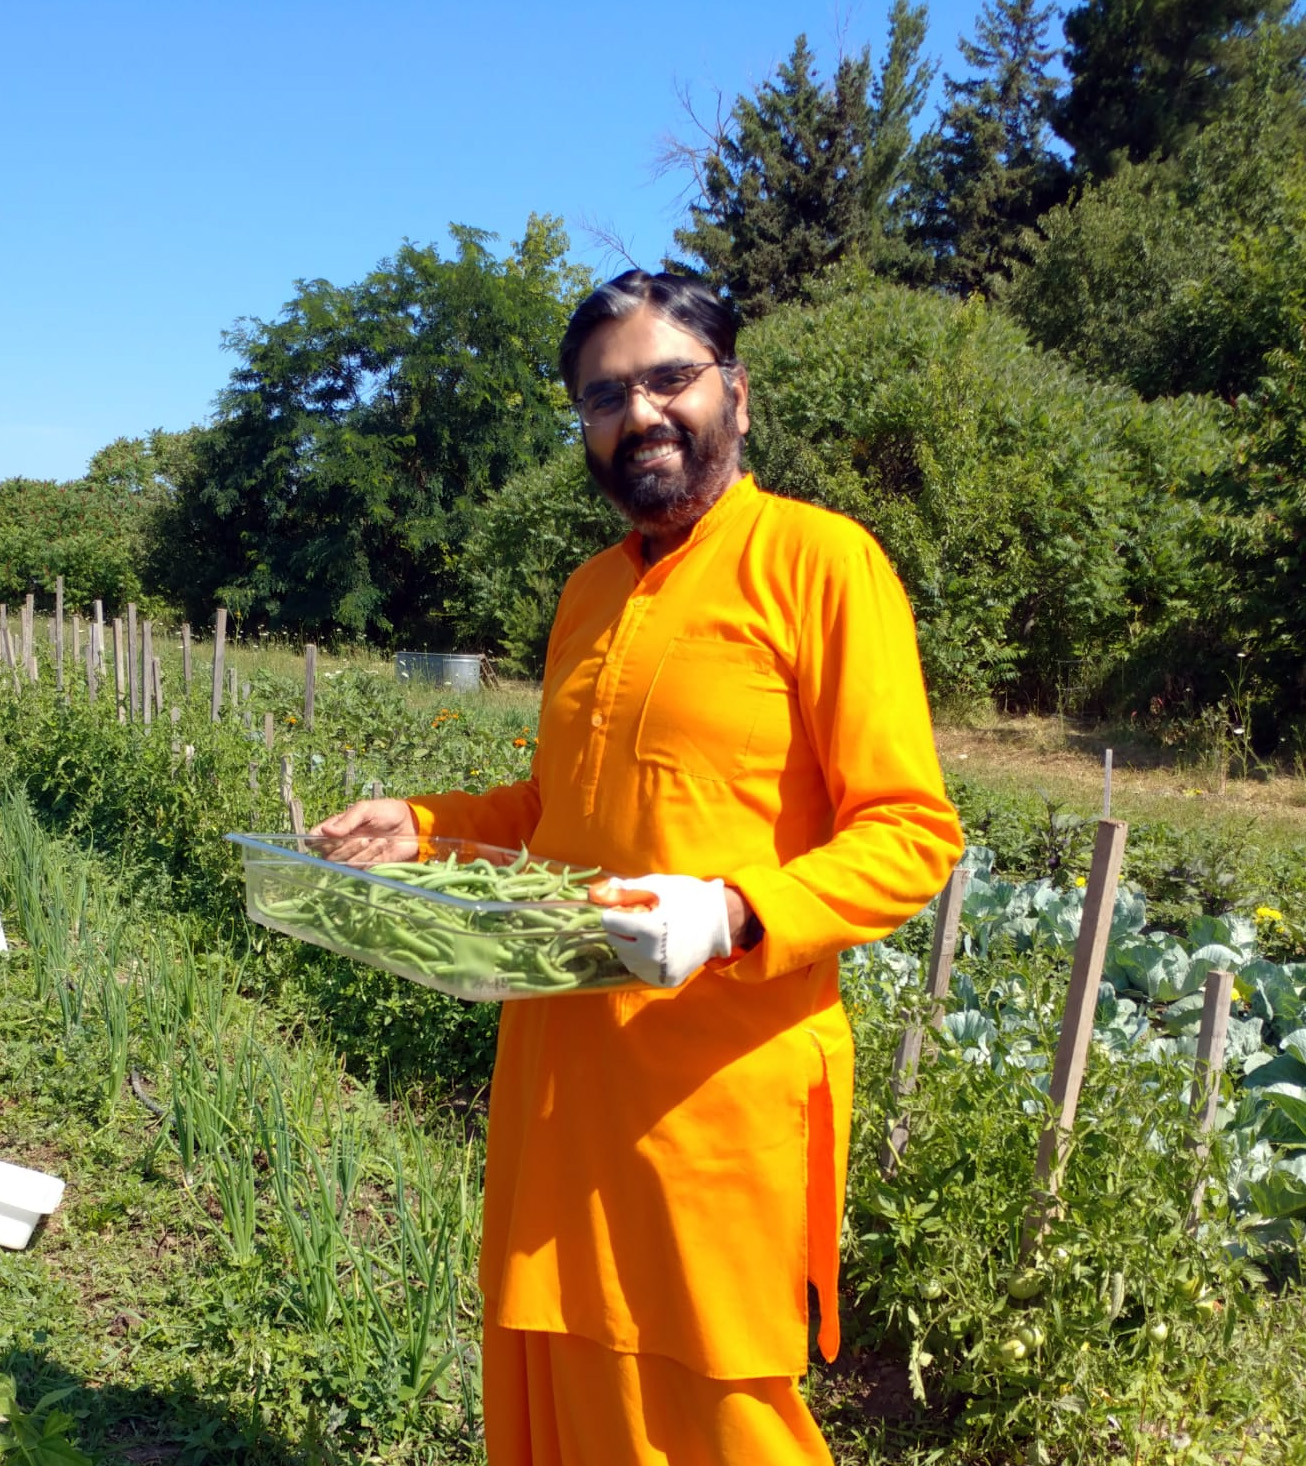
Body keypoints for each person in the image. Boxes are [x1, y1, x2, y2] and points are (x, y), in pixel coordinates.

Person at [314, 271, 964, 1465]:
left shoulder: (821, 564)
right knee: (555, 1375)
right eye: (604, 395)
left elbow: (912, 831)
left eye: (669, 377)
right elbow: (559, 811)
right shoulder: (589, 593)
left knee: (718, 1410)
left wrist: (731, 911)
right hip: (560, 1075)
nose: (639, 413)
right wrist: (423, 822)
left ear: (736, 394)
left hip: (713, 1094)